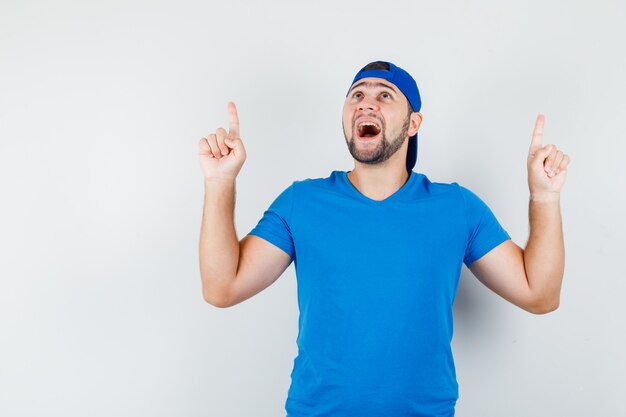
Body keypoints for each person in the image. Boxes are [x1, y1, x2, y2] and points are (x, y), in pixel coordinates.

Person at [197, 61, 570, 417]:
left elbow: (539, 295)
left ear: (413, 123)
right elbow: (222, 287)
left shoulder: (456, 208)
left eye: (385, 95)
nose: (366, 102)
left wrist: (545, 197)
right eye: (356, 95)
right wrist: (219, 182)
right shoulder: (302, 203)